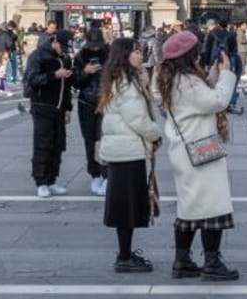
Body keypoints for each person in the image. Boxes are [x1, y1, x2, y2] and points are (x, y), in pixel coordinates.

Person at [157, 30, 239, 282]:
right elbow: (217, 101)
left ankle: (182, 261)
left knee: (190, 206)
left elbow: (200, 99)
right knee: (212, 205)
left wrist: (212, 74)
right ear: (188, 55)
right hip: (200, 150)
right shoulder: (186, 82)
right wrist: (226, 74)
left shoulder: (172, 78)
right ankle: (212, 262)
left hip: (186, 150)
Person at [98, 36, 161, 273]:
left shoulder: (124, 79)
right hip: (127, 151)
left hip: (123, 150)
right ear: (124, 56)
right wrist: (155, 134)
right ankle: (124, 256)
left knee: (126, 205)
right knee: (126, 207)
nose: (140, 55)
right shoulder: (125, 84)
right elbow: (137, 119)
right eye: (135, 52)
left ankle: (125, 253)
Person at [24, 28, 75, 197]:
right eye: (62, 47)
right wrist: (54, 75)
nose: (64, 50)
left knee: (57, 144)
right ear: (54, 42)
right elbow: (32, 79)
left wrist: (68, 108)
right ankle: (41, 181)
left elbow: (67, 86)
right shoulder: (38, 56)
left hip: (59, 107)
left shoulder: (64, 58)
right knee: (42, 144)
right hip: (42, 105)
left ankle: (52, 179)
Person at [73, 26, 108, 195]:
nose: (95, 48)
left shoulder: (110, 54)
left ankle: (107, 174)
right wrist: (85, 72)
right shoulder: (80, 57)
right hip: (86, 101)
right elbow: (76, 82)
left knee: (103, 139)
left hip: (106, 101)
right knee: (89, 139)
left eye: (97, 44)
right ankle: (95, 173)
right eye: (92, 44)